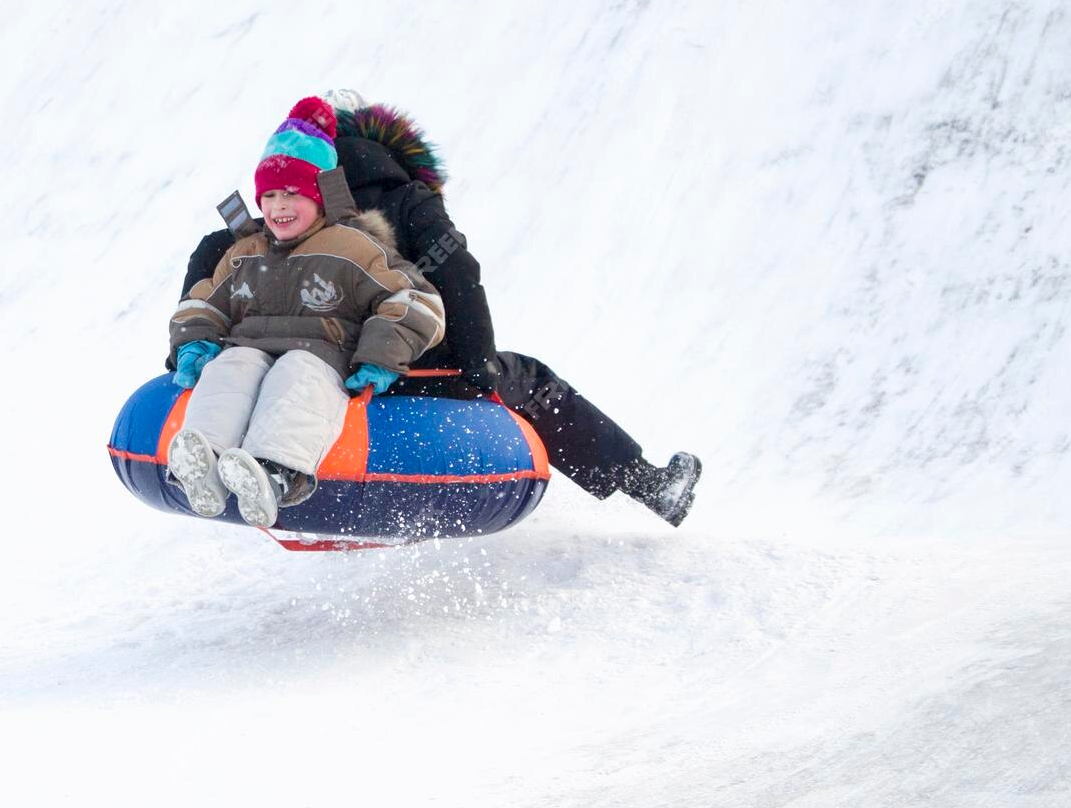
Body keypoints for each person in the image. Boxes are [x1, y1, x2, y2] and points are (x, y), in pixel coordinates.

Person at [180, 94, 702, 526]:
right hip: (412, 368)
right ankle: (648, 483)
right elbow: (457, 273)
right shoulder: (406, 198)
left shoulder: (279, 205)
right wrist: (478, 365)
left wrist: (190, 350)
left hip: (291, 361)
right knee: (531, 381)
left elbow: (211, 257)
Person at [166, 96, 446, 529]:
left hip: (322, 353)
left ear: (322, 197)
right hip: (251, 347)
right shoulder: (245, 252)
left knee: (296, 372)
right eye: (271, 195)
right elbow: (206, 300)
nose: (280, 206)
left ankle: (277, 473)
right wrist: (195, 342)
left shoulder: (353, 247)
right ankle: (205, 462)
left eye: (293, 194)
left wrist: (380, 356)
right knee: (231, 366)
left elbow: (413, 300)